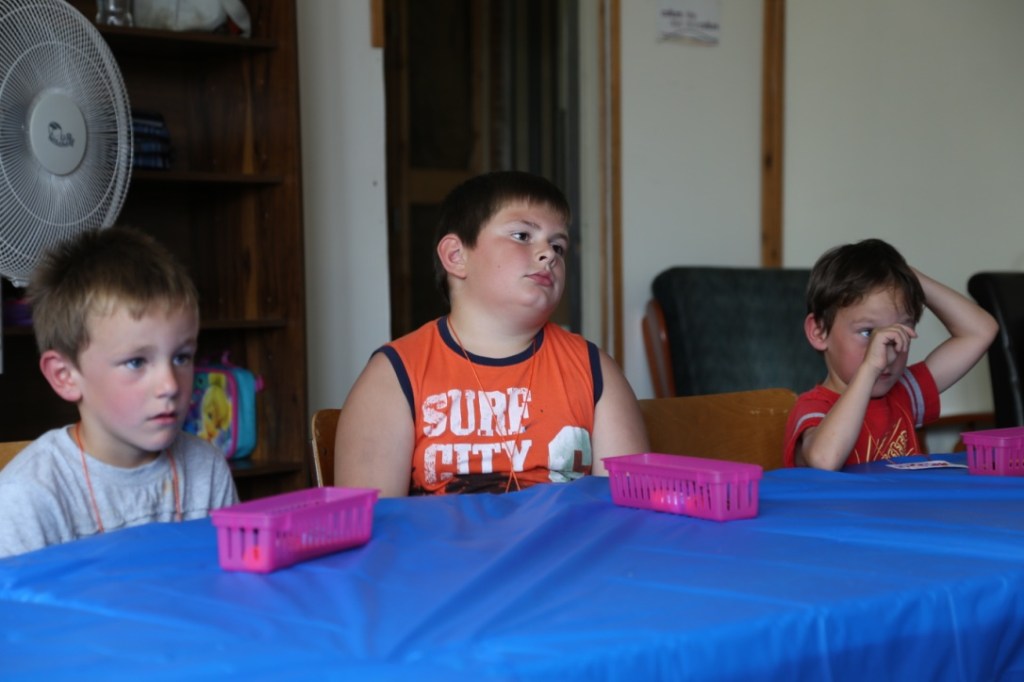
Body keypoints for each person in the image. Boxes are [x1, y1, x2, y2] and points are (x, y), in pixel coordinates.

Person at [335, 170, 649, 496]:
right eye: (522, 236)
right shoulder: (395, 374)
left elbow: (629, 506)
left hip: (567, 530)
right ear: (456, 257)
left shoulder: (594, 369)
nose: (549, 255)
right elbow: (374, 519)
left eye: (558, 246)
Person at [0, 227, 238, 557]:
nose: (170, 385)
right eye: (136, 362)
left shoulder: (205, 468)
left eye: (181, 357)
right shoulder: (26, 497)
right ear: (65, 376)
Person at [783, 238, 998, 470]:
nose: (886, 354)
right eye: (867, 332)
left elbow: (981, 331)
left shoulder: (904, 392)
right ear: (819, 332)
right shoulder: (814, 407)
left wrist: (908, 276)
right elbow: (824, 460)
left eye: (899, 333)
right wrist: (869, 369)